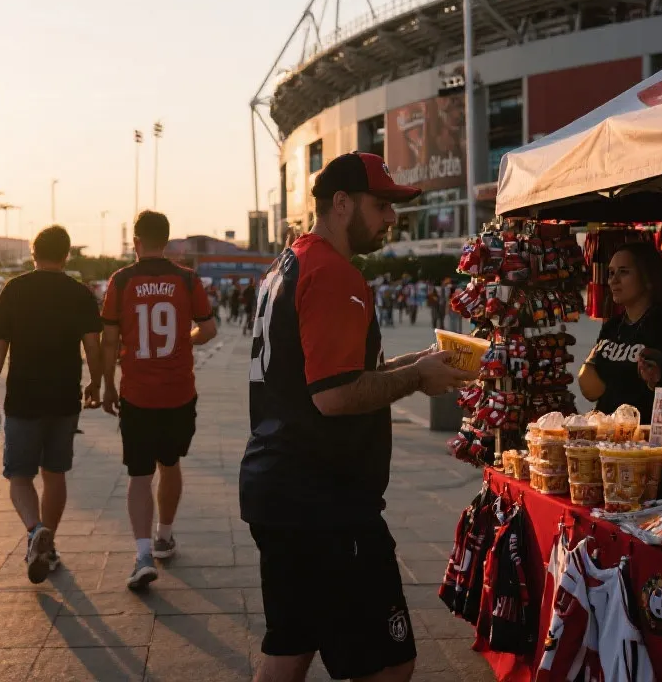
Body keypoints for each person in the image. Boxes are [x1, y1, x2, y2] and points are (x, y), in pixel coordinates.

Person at [240, 151, 475, 682]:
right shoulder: (333, 273)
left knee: (289, 648)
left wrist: (414, 362)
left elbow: (327, 375)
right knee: (390, 664)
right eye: (382, 205)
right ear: (341, 204)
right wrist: (417, 380)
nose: (392, 218)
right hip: (323, 502)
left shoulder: (290, 262)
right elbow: (334, 396)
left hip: (278, 489)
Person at [101, 210, 217, 591]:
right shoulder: (186, 279)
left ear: (136, 242)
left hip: (137, 392)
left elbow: (109, 341)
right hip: (179, 391)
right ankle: (165, 535)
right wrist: (187, 339)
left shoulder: (121, 281)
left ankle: (143, 553)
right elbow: (210, 328)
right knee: (170, 463)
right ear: (166, 242)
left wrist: (106, 384)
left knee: (139, 474)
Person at [0, 225, 103, 583]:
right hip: (65, 397)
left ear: (33, 253)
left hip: (23, 397)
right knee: (55, 473)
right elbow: (93, 346)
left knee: (19, 476)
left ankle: (35, 531)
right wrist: (96, 382)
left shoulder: (15, 289)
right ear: (67, 255)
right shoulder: (79, 293)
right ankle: (48, 544)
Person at [578, 242, 662, 420]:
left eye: (624, 272)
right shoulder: (612, 326)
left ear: (648, 278)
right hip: (608, 433)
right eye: (611, 273)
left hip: (643, 436)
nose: (614, 280)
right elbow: (591, 389)